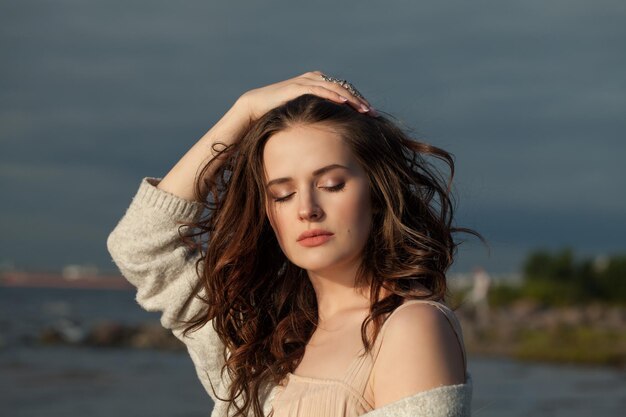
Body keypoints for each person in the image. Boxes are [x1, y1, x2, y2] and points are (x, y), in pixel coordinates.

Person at [107, 71, 482, 417]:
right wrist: (243, 111)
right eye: (283, 194)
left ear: (377, 193)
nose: (307, 209)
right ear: (268, 214)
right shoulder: (255, 338)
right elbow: (141, 246)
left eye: (331, 185)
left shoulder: (410, 328)